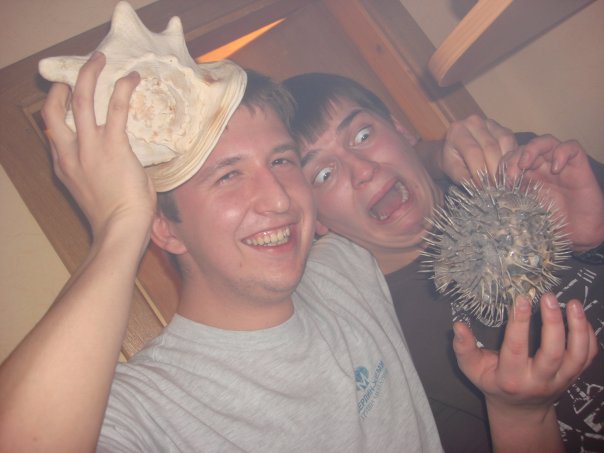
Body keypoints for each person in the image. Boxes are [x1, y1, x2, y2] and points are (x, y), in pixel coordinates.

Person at [0, 54, 593, 452]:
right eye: (228, 176)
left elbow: (392, 187)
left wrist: (448, 150)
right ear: (165, 228)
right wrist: (118, 226)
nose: (280, 198)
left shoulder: (348, 268)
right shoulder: (154, 405)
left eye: (283, 161)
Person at [283, 72, 604, 452]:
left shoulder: (519, 168)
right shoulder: (382, 349)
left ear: (401, 130)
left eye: (363, 135)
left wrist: (595, 243)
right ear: (316, 220)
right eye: (323, 174)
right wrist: (521, 414)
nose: (363, 170)